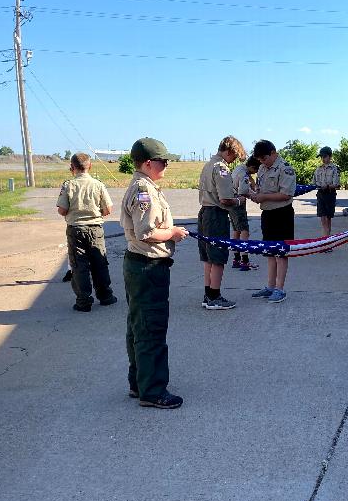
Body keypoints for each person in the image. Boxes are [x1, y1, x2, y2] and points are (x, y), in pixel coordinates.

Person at [120, 137, 190, 409]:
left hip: (141, 265)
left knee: (139, 326)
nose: (167, 165)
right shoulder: (143, 190)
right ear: (149, 163)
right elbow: (146, 232)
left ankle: (139, 382)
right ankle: (152, 391)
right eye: (163, 161)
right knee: (151, 328)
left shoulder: (145, 186)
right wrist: (172, 233)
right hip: (148, 266)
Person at [56, 152, 117, 312]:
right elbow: (108, 209)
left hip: (75, 230)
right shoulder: (98, 184)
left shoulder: (68, 185)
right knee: (99, 262)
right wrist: (95, 213)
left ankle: (83, 301)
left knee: (79, 265)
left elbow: (62, 210)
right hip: (95, 229)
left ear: (72, 167)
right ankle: (105, 296)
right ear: (90, 166)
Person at [198, 136, 247, 310]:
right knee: (218, 257)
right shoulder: (221, 168)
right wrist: (240, 200)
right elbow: (225, 199)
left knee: (208, 258)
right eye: (234, 156)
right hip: (216, 215)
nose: (233, 161)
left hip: (204, 212)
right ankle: (215, 296)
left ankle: (208, 294)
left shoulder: (208, 165)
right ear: (229, 151)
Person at [248, 139, 296, 303]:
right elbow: (261, 188)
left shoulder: (285, 168)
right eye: (260, 160)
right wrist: (255, 194)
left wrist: (263, 197)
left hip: (282, 214)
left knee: (281, 253)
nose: (262, 162)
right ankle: (270, 287)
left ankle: (280, 289)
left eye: (264, 158)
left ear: (273, 153)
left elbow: (286, 194)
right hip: (267, 214)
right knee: (269, 251)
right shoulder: (262, 168)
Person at [230, 156, 260, 271]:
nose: (255, 173)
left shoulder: (239, 168)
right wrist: (255, 196)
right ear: (252, 167)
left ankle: (236, 259)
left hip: (231, 202)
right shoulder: (244, 174)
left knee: (236, 231)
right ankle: (245, 261)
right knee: (244, 231)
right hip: (238, 204)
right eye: (256, 170)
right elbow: (243, 191)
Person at [313, 146, 340, 238]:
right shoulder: (318, 169)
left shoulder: (334, 169)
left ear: (330, 156)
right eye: (321, 157)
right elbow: (314, 182)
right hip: (320, 194)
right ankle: (325, 238)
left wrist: (328, 186)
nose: (323, 159)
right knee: (322, 217)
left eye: (324, 156)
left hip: (330, 194)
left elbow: (336, 184)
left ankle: (327, 238)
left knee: (328, 218)